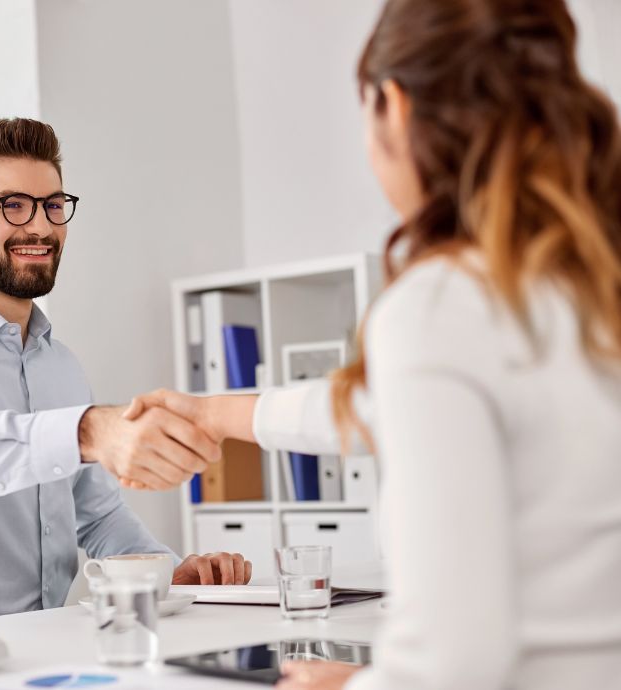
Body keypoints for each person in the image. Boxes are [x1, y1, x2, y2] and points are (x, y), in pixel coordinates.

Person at [125, 0, 621, 687]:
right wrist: (211, 416)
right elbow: (370, 405)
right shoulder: (586, 283)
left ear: (393, 104)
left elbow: (452, 662)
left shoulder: (442, 306)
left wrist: (348, 685)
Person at [0, 118, 251, 618]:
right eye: (11, 205)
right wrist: (83, 432)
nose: (39, 226)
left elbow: (98, 514)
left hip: (50, 645)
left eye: (52, 206)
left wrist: (169, 574)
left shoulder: (59, 364)